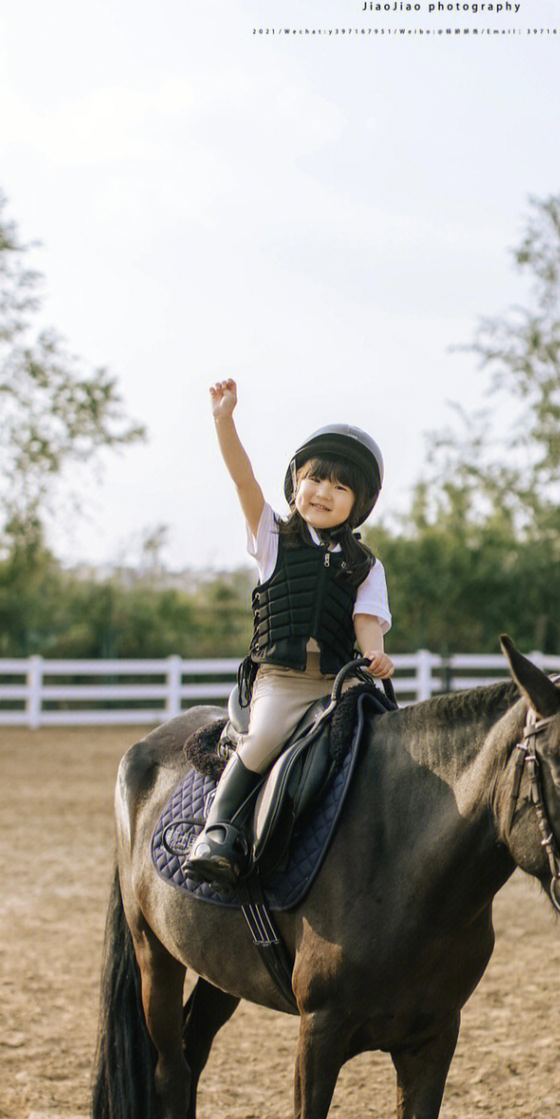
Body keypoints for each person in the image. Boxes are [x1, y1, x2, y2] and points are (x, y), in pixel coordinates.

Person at [184, 378, 393, 887]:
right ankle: (215, 831)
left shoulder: (365, 563)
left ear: (357, 504)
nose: (323, 492)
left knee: (387, 742)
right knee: (266, 737)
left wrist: (375, 656)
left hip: (339, 683)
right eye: (315, 479)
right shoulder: (273, 537)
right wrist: (224, 421)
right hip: (282, 680)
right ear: (295, 483)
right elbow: (243, 480)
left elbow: (367, 620)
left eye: (340, 487)